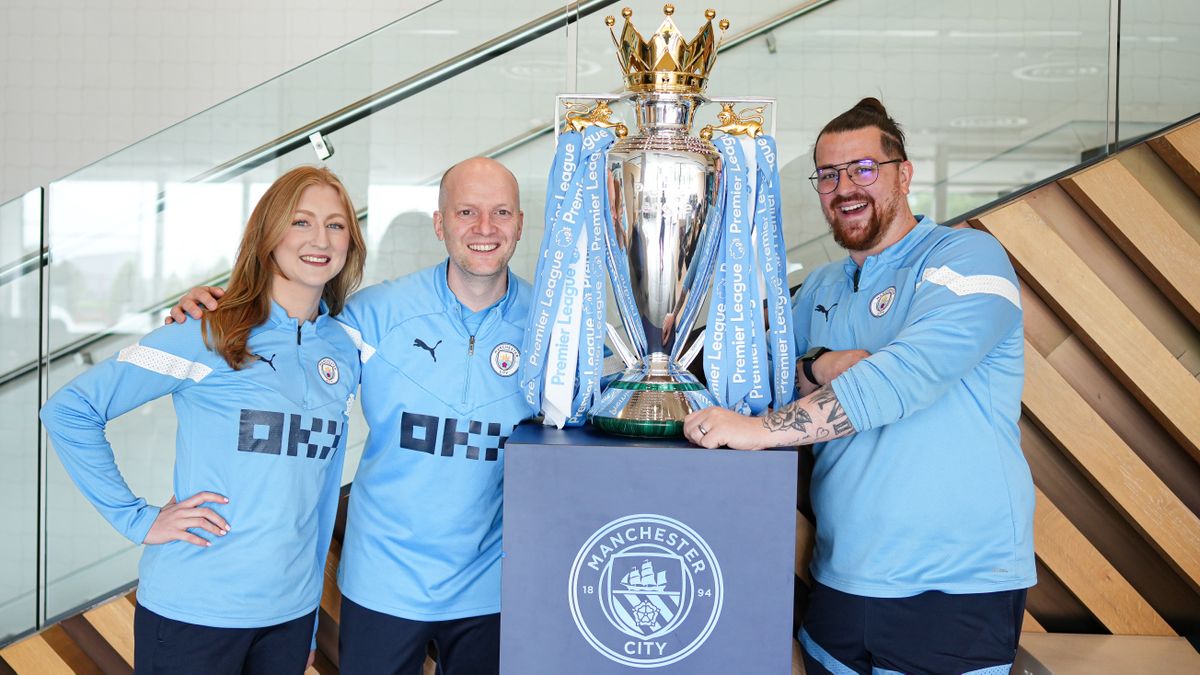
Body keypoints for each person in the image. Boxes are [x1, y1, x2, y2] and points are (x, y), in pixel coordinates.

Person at [684, 98, 1035, 674]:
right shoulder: (822, 284)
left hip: (953, 591)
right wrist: (817, 361)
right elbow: (755, 363)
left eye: (864, 169)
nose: (845, 186)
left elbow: (902, 377)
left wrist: (760, 431)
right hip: (838, 580)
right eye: (828, 174)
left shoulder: (967, 259)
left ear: (904, 173)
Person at [169, 156, 531, 674]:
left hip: (491, 587)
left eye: (500, 212)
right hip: (383, 580)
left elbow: (617, 404)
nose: (484, 228)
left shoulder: (552, 326)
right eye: (466, 212)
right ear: (440, 223)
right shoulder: (370, 315)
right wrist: (216, 307)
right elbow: (287, 333)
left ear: (519, 223)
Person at [41, 165, 367, 674]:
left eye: (336, 224)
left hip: (287, 617)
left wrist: (304, 620)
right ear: (269, 234)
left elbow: (319, 493)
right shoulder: (207, 331)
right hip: (194, 611)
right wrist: (137, 518)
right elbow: (68, 410)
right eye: (301, 222)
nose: (320, 238)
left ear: (352, 239)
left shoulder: (342, 350)